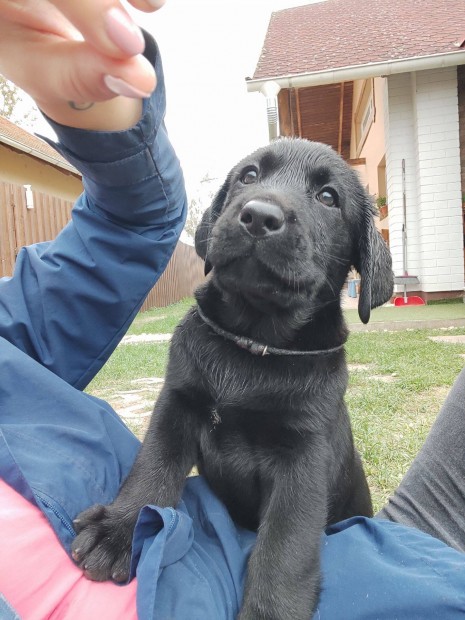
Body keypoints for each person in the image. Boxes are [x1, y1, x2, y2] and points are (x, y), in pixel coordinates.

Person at [1, 1, 465, 619]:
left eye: (326, 196)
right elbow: (176, 422)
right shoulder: (199, 336)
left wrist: (97, 93)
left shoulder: (318, 370)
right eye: (249, 180)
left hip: (324, 536)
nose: (265, 205)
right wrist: (132, 514)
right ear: (221, 216)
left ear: (357, 265)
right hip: (249, 569)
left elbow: (301, 477)